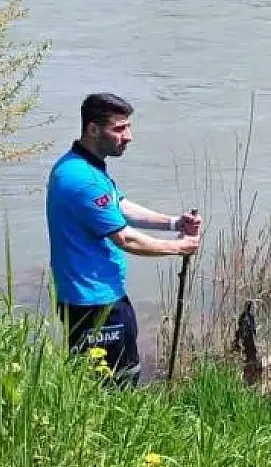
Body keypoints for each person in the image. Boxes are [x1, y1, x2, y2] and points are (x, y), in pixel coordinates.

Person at [45, 93, 201, 387]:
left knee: (109, 378)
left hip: (98, 296)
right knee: (113, 385)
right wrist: (179, 247)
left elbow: (120, 207)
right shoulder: (83, 180)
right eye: (119, 129)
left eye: (128, 127)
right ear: (92, 129)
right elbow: (126, 239)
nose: (128, 137)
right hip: (94, 304)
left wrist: (172, 223)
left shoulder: (81, 165)